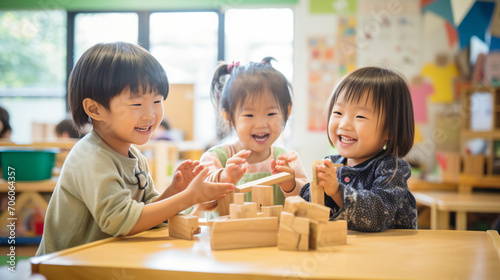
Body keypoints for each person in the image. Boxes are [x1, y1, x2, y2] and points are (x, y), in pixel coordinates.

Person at [36, 42, 235, 256]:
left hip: (107, 262)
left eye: (157, 100)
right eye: (136, 104)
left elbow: (148, 215)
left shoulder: (135, 156)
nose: (150, 114)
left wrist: (175, 191)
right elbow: (121, 221)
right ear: (95, 109)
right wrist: (189, 197)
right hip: (64, 268)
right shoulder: (90, 157)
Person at [300, 66, 418, 232]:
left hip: (388, 254)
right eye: (338, 112)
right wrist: (290, 186)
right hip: (347, 254)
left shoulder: (393, 169)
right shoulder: (331, 164)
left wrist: (336, 191)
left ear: (390, 130)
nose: (344, 124)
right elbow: (312, 207)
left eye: (360, 116)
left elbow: (376, 215)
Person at [196, 57, 308, 216]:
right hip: (226, 239)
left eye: (271, 113)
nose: (261, 124)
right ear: (229, 117)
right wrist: (224, 176)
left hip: (273, 240)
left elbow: (306, 204)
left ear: (287, 112)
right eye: (249, 115)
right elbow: (201, 199)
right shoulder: (215, 158)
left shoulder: (288, 160)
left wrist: (291, 185)